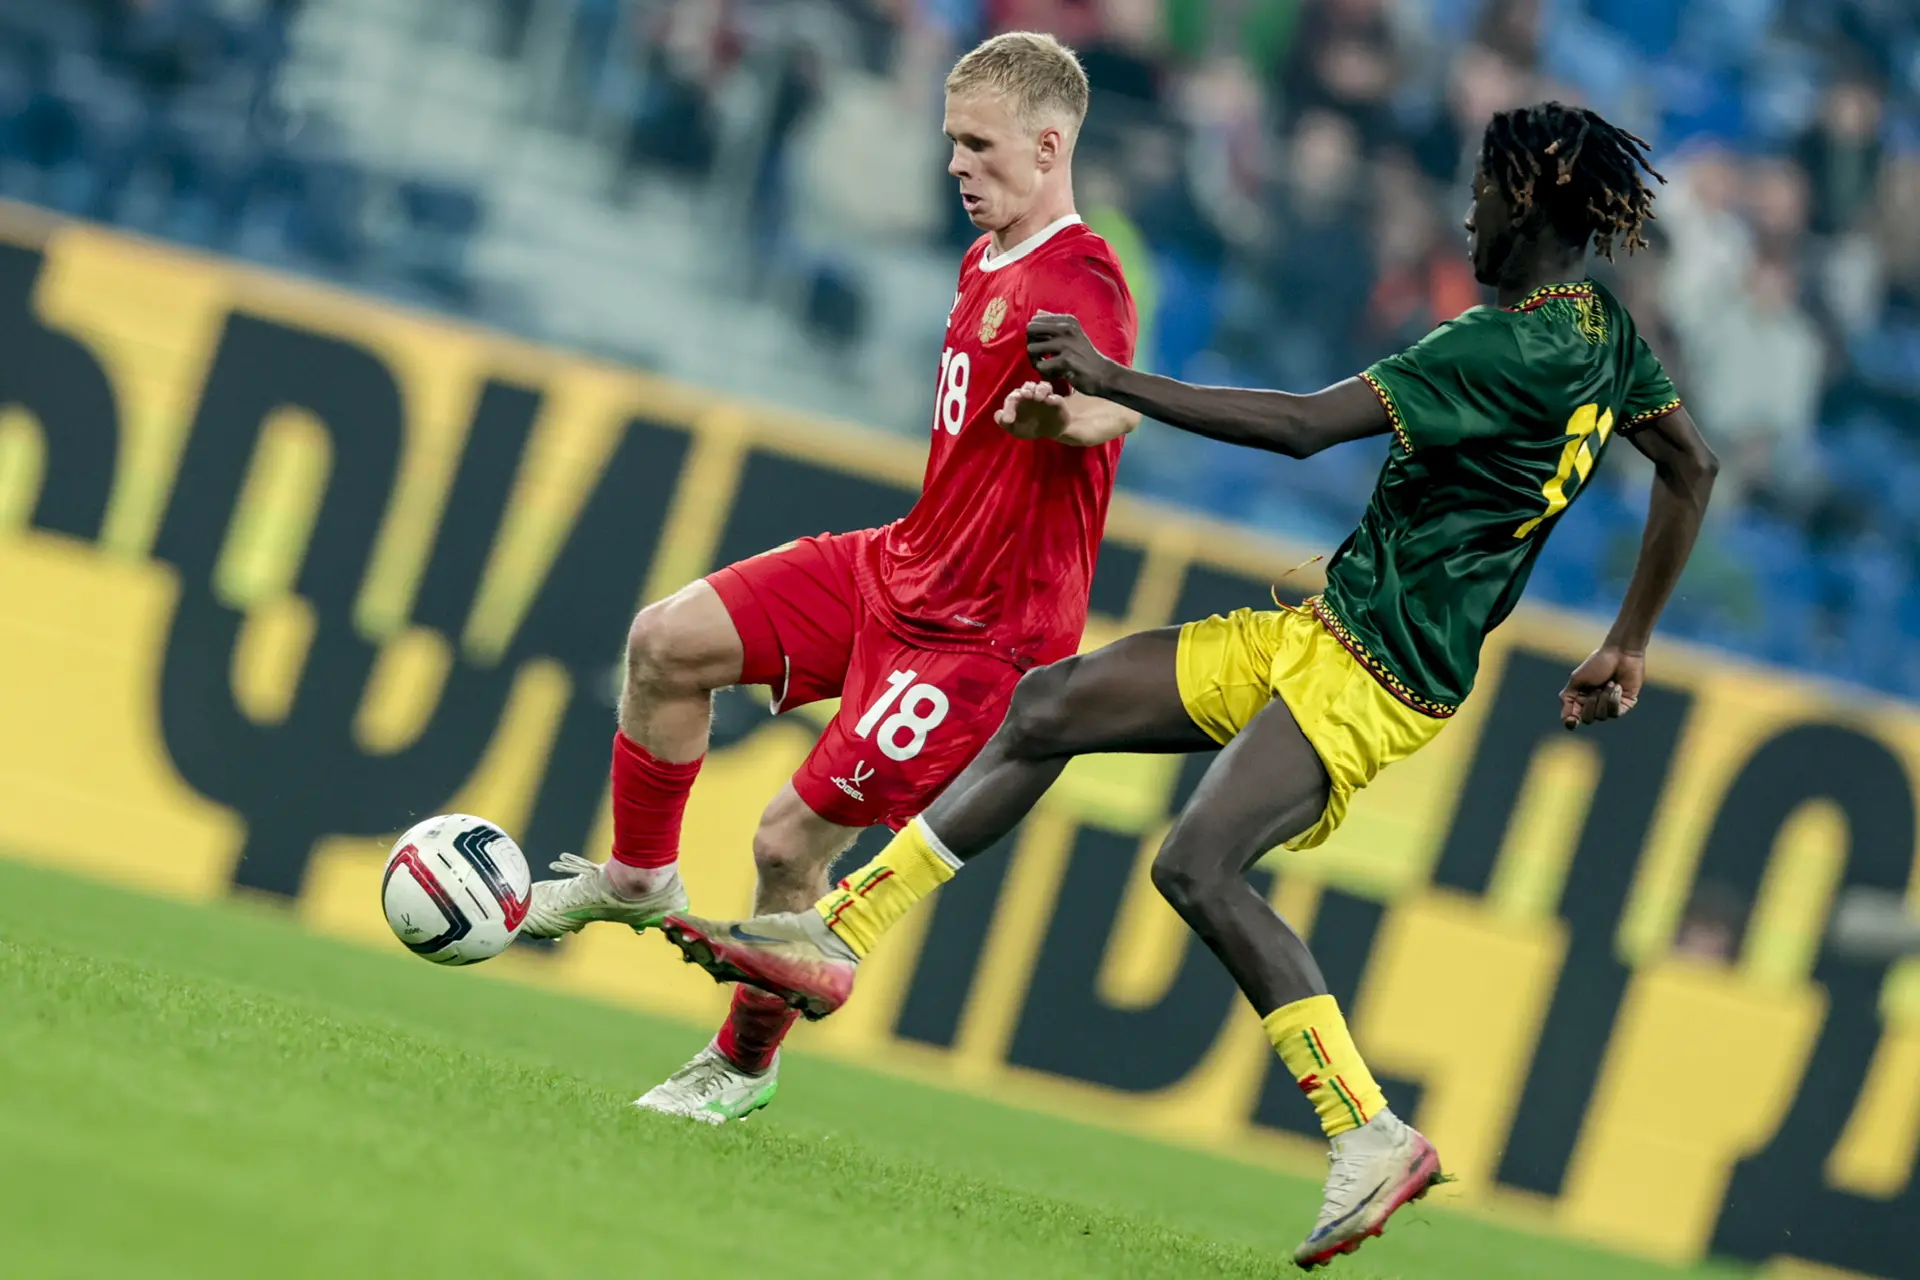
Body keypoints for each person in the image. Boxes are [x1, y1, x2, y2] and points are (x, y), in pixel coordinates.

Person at [658, 102, 1721, 1267]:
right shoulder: (1605, 333)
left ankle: (1370, 1130)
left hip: (1378, 669)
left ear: (1523, 203)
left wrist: (1115, 379)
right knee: (1048, 706)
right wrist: (1630, 640)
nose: (1465, 215)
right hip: (1325, 628)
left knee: (1197, 864)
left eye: (1479, 194)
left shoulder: (1496, 346)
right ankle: (838, 933)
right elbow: (1691, 464)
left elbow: (1304, 427)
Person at [519, 31, 1141, 1125]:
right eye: (952, 142)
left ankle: (740, 1064)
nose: (956, 166)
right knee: (664, 642)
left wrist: (1067, 418)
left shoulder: (1080, 273)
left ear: (1049, 148)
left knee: (786, 843)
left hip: (982, 637)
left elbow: (1113, 402)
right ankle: (638, 878)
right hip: (898, 566)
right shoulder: (983, 258)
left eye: (980, 146)